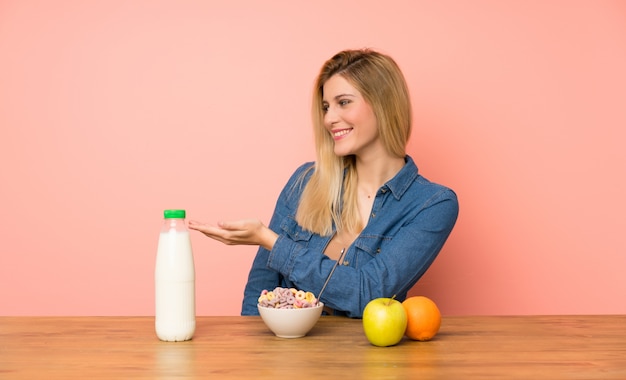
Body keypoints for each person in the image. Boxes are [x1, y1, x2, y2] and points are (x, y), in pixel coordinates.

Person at [189, 48, 459, 318]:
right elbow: (259, 292)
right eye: (326, 107)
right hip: (287, 356)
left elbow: (368, 292)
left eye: (343, 102)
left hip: (367, 359)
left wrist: (270, 240)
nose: (329, 119)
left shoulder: (432, 205)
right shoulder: (305, 182)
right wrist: (255, 356)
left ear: (383, 104)